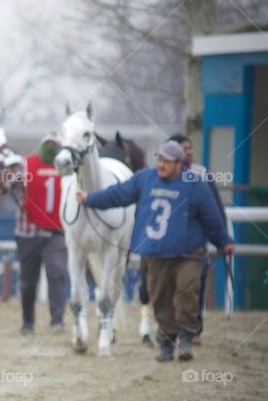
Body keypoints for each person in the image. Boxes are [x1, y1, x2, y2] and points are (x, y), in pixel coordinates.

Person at [77, 140, 234, 362]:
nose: (161, 165)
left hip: (188, 252)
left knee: (186, 293)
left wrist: (223, 241)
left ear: (180, 163)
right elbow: (118, 194)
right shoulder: (145, 178)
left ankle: (186, 337)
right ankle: (167, 343)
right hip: (155, 252)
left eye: (167, 161)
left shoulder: (195, 184)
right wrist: (90, 199)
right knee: (160, 299)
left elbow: (211, 217)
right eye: (159, 159)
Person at [168, 133, 229, 341]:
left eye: (190, 148)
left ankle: (193, 329)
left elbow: (216, 209)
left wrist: (223, 238)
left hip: (196, 242)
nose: (189, 152)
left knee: (195, 287)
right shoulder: (163, 175)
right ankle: (174, 329)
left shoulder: (201, 174)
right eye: (184, 149)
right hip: (168, 244)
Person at [11, 134, 68, 335]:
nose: (52, 147)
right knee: (28, 280)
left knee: (57, 273)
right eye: (48, 143)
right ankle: (28, 322)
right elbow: (6, 184)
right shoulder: (26, 165)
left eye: (56, 143)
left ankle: (58, 321)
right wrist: (6, 176)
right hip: (28, 232)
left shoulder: (65, 165)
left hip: (56, 231)